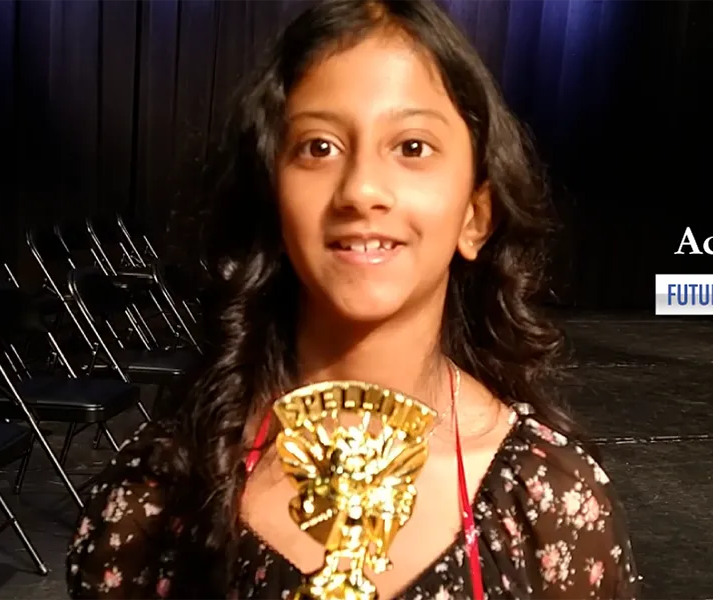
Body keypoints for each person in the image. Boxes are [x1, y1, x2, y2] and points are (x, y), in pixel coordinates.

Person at [65, 0, 639, 598]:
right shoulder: (160, 496)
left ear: (475, 216)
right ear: (274, 203)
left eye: (412, 147)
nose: (361, 189)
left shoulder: (552, 507)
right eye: (319, 147)